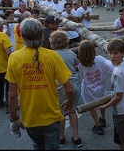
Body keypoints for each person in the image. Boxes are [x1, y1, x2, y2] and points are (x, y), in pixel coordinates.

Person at [6, 18, 74, 149]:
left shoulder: (14, 58)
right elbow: (69, 90)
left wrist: (14, 118)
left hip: (30, 117)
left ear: (23, 36)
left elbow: (12, 94)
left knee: (38, 146)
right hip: (52, 114)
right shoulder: (53, 56)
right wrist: (69, 103)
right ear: (42, 35)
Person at [96, 38, 124, 150]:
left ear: (123, 54)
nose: (112, 56)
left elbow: (118, 97)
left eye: (116, 53)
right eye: (110, 53)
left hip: (122, 112)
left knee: (121, 140)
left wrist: (104, 106)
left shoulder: (117, 73)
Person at [50, 30, 82, 148]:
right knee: (72, 111)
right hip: (74, 85)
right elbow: (76, 66)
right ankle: (76, 137)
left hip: (61, 87)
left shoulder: (52, 55)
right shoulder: (71, 54)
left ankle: (61, 137)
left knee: (61, 113)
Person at [78, 40, 114, 135]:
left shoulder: (80, 65)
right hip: (100, 86)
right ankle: (102, 118)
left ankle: (98, 125)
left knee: (92, 107)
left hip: (88, 90)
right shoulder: (99, 59)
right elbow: (111, 67)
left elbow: (82, 77)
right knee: (102, 102)